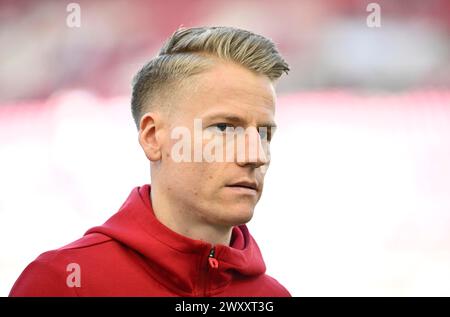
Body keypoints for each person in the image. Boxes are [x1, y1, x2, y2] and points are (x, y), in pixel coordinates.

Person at [9, 26, 290, 296]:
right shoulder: (61, 283)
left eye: (264, 133)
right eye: (225, 128)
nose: (256, 155)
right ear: (153, 137)